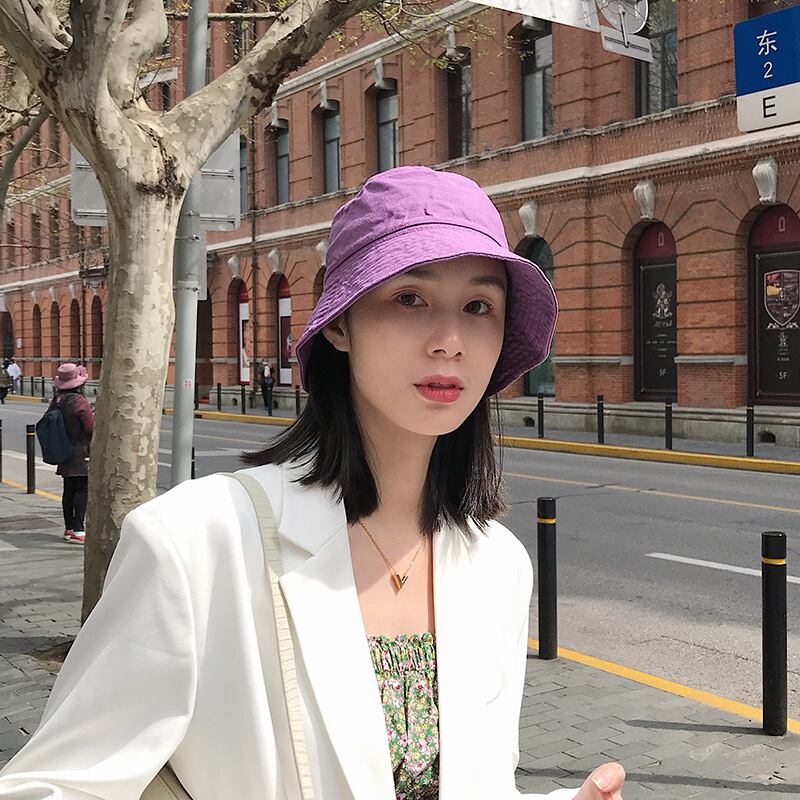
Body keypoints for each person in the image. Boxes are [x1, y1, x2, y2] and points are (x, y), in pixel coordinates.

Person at [0, 167, 625, 800]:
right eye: (410, 298)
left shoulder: (497, 564)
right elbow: (48, 786)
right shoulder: (198, 542)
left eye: (479, 306)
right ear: (340, 322)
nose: (449, 341)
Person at [49, 363, 94, 545]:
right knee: (82, 489)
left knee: (69, 489)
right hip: (81, 451)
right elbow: (90, 427)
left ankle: (69, 528)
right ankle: (78, 529)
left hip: (64, 450)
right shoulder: (79, 401)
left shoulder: (57, 401)